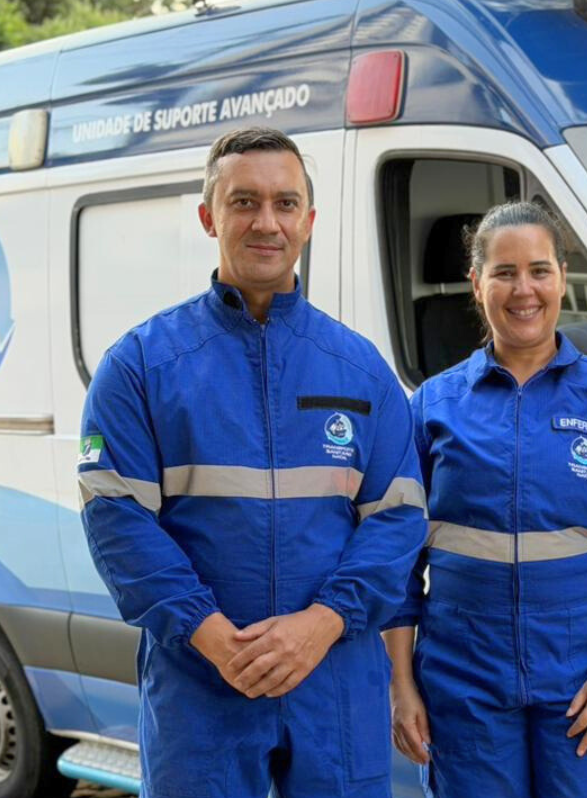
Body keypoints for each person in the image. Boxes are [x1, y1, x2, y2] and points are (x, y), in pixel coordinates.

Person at [77, 127, 427, 798]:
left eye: (285, 203)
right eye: (244, 202)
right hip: (200, 684)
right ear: (209, 216)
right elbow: (117, 521)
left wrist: (322, 624)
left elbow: (399, 520)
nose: (267, 222)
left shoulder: (360, 369)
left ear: (309, 221)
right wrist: (210, 636)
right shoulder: (143, 365)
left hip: (334, 678)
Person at [381, 202, 587, 798]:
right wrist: (401, 683)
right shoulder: (434, 406)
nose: (524, 290)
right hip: (462, 681)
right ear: (477, 283)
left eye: (539, 270)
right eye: (505, 272)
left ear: (562, 278)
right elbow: (397, 554)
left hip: (583, 680)